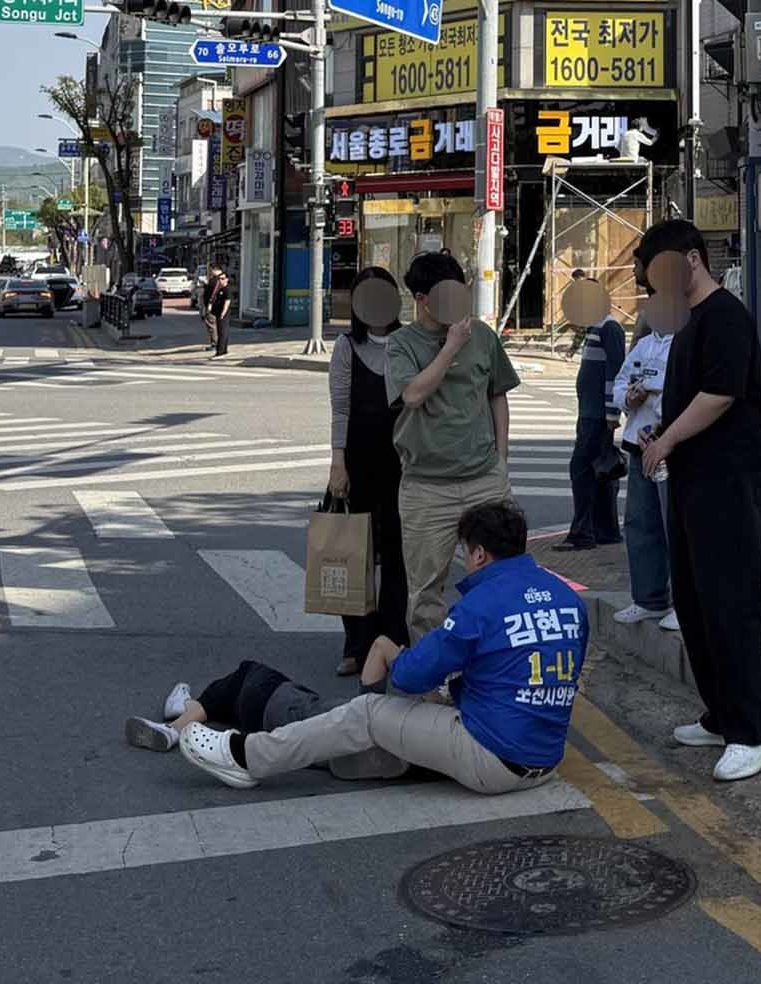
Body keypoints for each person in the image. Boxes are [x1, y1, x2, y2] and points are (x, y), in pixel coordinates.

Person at [178, 502, 588, 795]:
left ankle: (247, 757)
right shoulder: (568, 598)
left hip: (494, 761)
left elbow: (410, 675)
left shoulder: (479, 606)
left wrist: (396, 654)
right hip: (546, 760)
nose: (465, 560)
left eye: (465, 552)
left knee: (366, 712)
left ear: (480, 553)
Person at [637, 219, 761, 783]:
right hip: (694, 478)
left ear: (692, 259)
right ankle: (721, 716)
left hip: (730, 478)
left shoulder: (726, 316)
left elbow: (721, 394)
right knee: (694, 602)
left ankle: (754, 733)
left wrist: (667, 438)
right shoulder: (691, 320)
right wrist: (659, 433)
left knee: (729, 602)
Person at [387, 252, 520, 642]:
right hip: (427, 487)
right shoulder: (402, 343)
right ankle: (431, 684)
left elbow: (497, 395)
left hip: (484, 478)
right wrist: (449, 348)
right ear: (422, 298)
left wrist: (501, 459)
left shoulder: (483, 337)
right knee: (427, 591)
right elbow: (412, 395)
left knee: (505, 578)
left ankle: (497, 664)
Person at [328, 267, 409, 676]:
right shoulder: (345, 347)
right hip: (359, 464)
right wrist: (337, 463)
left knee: (397, 555)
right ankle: (357, 645)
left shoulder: (408, 343)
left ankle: (394, 639)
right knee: (355, 556)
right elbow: (340, 408)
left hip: (403, 465)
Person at [611, 308, 678, 631]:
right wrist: (630, 397)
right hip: (638, 443)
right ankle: (649, 599)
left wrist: (655, 392)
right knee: (640, 523)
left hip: (669, 443)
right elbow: (621, 384)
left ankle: (685, 603)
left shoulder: (685, 341)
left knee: (674, 525)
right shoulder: (643, 345)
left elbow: (688, 392)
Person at [555, 278, 625, 551]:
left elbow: (616, 372)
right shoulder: (595, 327)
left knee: (582, 469)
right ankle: (605, 531)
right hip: (591, 413)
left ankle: (582, 533)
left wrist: (611, 413)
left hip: (598, 415)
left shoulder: (610, 327)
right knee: (600, 471)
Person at [123, 660, 326, 753]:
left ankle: (175, 726)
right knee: (233, 703)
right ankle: (187, 707)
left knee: (249, 671)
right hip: (264, 730)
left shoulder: (351, 717)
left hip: (275, 703)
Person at [209, 271, 232, 358]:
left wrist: (223, 313)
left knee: (222, 332)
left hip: (223, 314)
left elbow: (227, 302)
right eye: (219, 279)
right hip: (218, 313)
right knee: (221, 332)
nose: (220, 281)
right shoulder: (220, 289)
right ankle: (224, 350)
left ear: (227, 279)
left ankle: (220, 351)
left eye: (222, 279)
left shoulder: (227, 289)